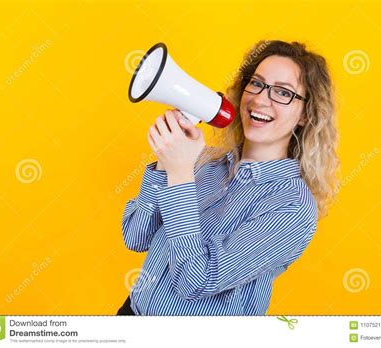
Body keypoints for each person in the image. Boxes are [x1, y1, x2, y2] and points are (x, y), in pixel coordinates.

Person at [118, 40, 339, 316]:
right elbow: (136, 236)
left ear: (306, 114)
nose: (260, 99)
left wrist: (179, 174)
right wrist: (166, 163)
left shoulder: (292, 207)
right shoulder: (201, 160)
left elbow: (194, 281)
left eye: (283, 92)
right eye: (256, 83)